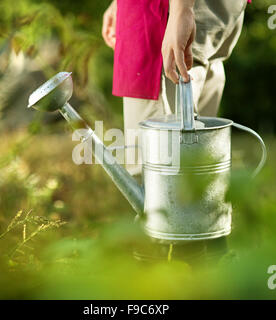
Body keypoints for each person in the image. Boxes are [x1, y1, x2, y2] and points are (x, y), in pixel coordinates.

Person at [102, 0, 248, 262]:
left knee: (163, 186)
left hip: (165, 12)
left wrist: (181, 10)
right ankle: (216, 273)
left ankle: (175, 282)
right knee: (198, 172)